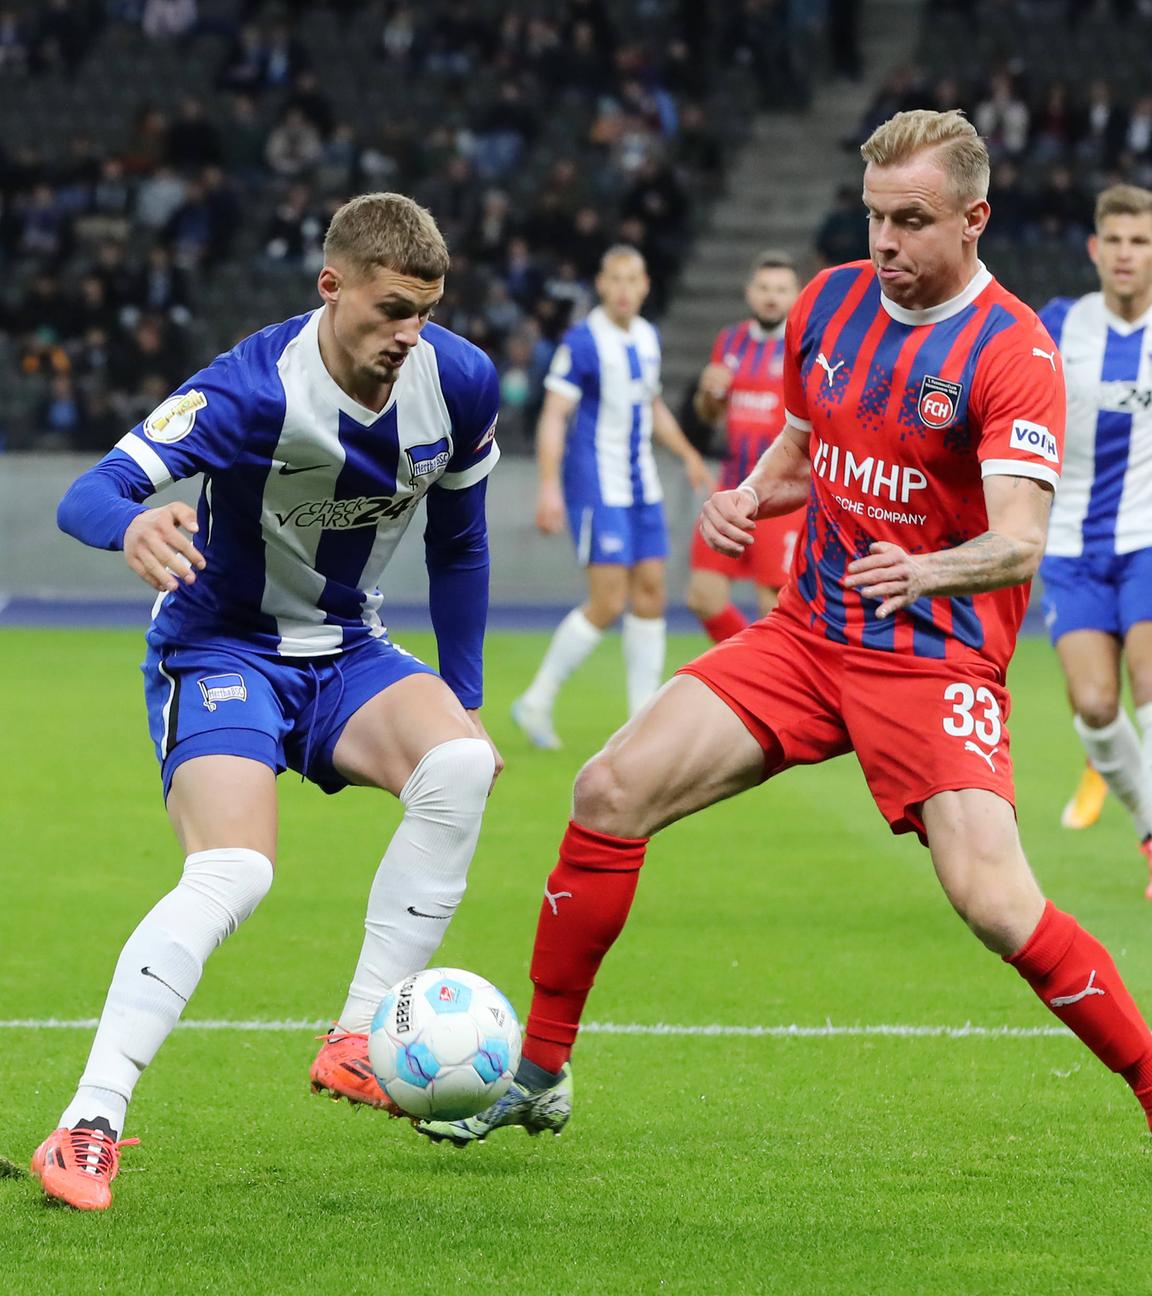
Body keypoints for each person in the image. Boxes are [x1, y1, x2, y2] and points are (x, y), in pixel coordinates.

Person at [418, 110, 1152, 1147]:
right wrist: (746, 498)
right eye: (873, 218)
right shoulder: (830, 302)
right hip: (806, 636)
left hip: (931, 658)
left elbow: (1022, 541)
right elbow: (803, 459)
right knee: (608, 789)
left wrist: (927, 569)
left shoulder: (1011, 350)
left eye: (912, 220)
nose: (885, 243)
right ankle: (539, 1072)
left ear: (975, 219)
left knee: (994, 904)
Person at [34, 193, 503, 1210]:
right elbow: (92, 490)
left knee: (462, 764)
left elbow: (459, 542)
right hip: (222, 647)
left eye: (424, 309)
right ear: (331, 287)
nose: (406, 334)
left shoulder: (459, 381)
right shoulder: (251, 388)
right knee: (236, 872)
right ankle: (88, 1123)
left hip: (347, 649)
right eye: (388, 310)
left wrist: (462, 698)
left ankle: (359, 1039)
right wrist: (129, 528)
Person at [511, 245, 711, 750]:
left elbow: (653, 404)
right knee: (608, 600)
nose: (624, 289)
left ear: (645, 286)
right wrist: (550, 487)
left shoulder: (647, 337)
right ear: (602, 285)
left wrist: (687, 453)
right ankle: (536, 700)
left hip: (641, 483)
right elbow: (554, 414)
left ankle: (642, 721)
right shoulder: (582, 342)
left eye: (633, 279)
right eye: (615, 279)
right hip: (598, 486)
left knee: (651, 592)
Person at [1037, 184, 1152, 885]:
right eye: (1114, 240)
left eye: (1139, 241)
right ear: (1093, 248)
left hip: (1147, 537)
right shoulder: (1058, 324)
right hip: (1072, 546)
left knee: (1147, 680)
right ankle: (1148, 821)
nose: (1126, 254)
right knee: (1095, 704)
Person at [687, 251, 803, 640]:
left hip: (782, 494)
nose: (772, 297)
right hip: (733, 487)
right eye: (765, 288)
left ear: (796, 295)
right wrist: (708, 393)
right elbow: (709, 414)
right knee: (703, 596)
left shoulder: (803, 344)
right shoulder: (730, 341)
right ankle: (748, 669)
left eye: (781, 290)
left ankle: (777, 690)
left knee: (774, 606)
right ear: (750, 293)